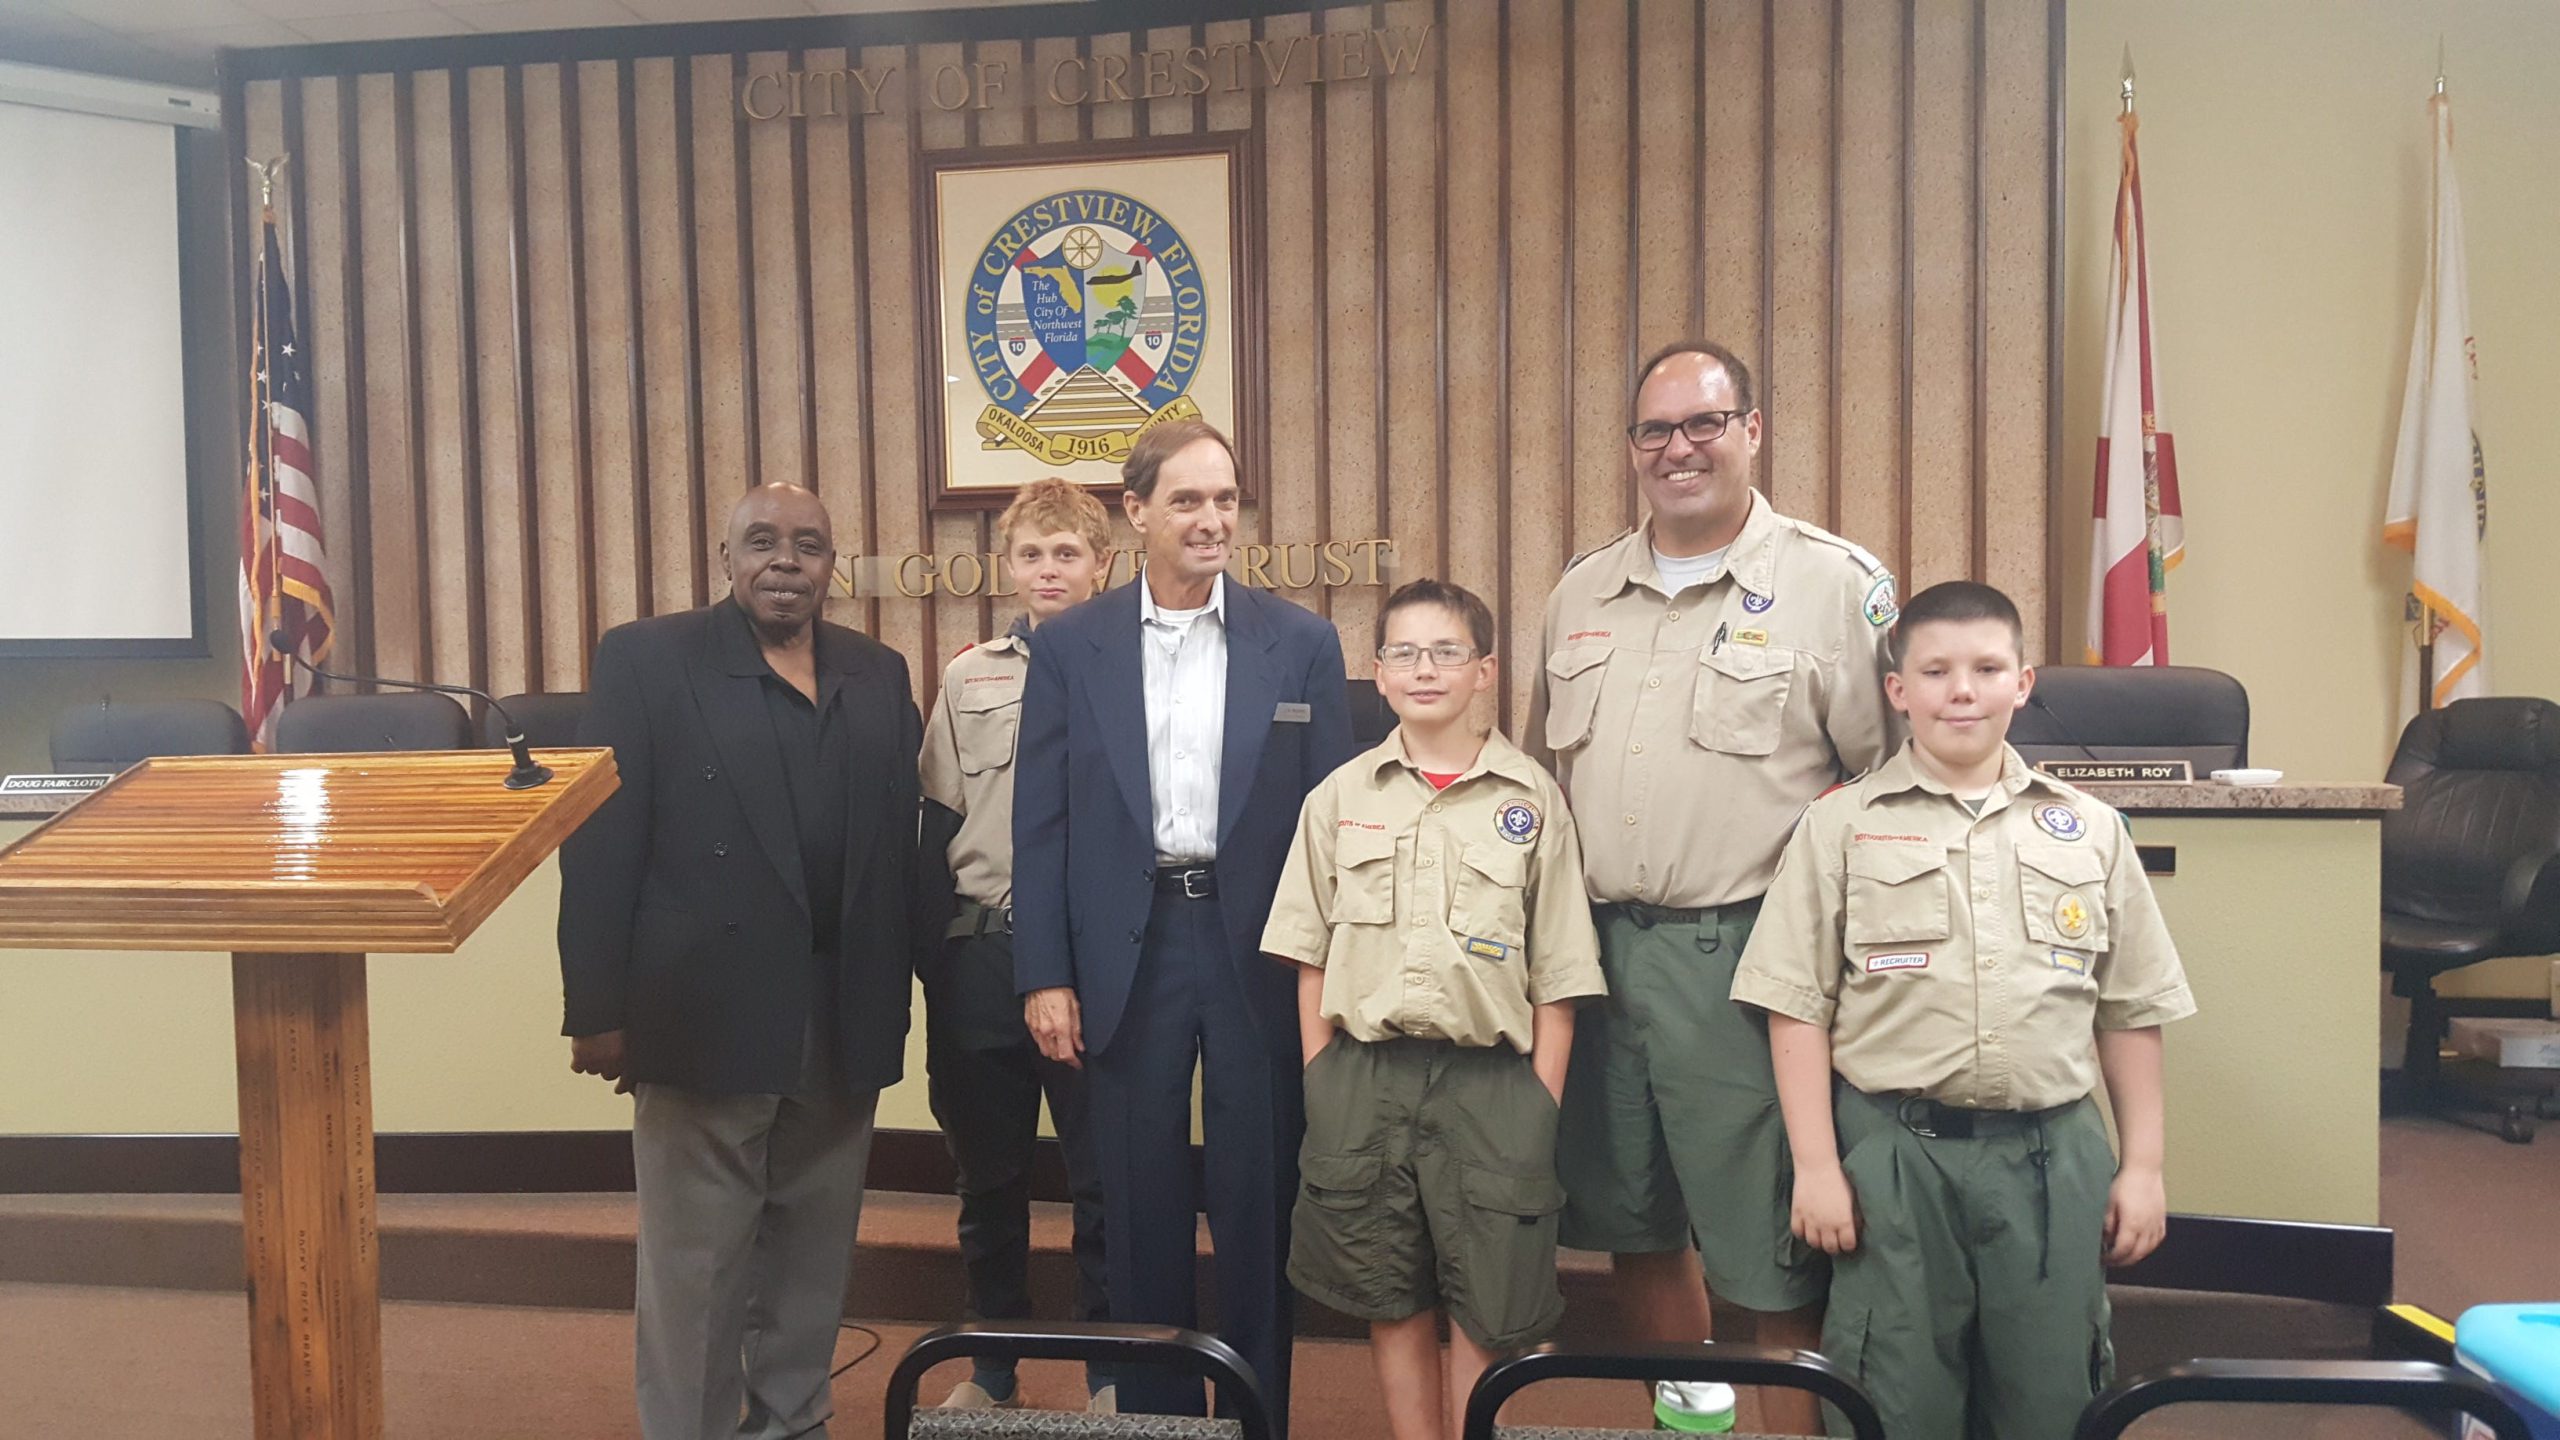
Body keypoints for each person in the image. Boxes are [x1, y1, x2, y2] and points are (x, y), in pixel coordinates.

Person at [1529, 339, 1897, 1433]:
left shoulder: (1834, 585)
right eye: (1654, 430)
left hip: (1747, 962)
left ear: (1751, 429)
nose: (1677, 449)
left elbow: (1882, 789)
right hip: (1598, 957)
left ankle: (1795, 1423)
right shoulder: (1583, 588)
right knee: (1632, 1221)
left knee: (1768, 1247)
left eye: (1702, 424)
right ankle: (1692, 1423)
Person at [1733, 580, 2194, 1439]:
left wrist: (2144, 1166)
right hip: (1897, 1158)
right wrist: (1817, 1166)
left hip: (2051, 1161)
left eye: (1987, 668)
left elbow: (2130, 1008)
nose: (1963, 690)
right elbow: (1796, 1007)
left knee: (2052, 1399)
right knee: (1893, 1397)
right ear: (1898, 690)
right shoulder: (1841, 828)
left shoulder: (2088, 828)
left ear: (2023, 682)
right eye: (1936, 671)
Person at [558, 482, 923, 1440]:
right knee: (698, 1272)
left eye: (808, 543)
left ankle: (795, 1424)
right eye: (762, 542)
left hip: (841, 1016)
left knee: (811, 1264)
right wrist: (596, 1005)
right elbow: (600, 840)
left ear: (831, 564)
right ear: (726, 561)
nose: (785, 560)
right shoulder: (649, 659)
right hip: (700, 1014)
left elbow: (898, 847)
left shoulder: (878, 671)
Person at [1012, 417, 1354, 1433]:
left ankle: (1255, 1419)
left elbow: (1335, 827)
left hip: (1259, 953)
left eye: (1224, 500)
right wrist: (1044, 973)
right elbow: (1040, 822)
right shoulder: (1073, 645)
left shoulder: (1300, 643)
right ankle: (1158, 1422)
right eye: (1187, 501)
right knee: (1139, 1209)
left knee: (1257, 1206)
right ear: (1137, 511)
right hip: (1128, 949)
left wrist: (1331, 977)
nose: (1210, 521)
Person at [1262, 579, 1604, 1440]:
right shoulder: (1341, 796)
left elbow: (1558, 978)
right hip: (1364, 1076)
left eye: (1446, 651)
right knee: (1387, 1290)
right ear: (1377, 674)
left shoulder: (1531, 801)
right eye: (1404, 653)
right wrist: (1321, 1074)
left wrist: (1540, 1105)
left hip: (1492, 1085)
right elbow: (1307, 956)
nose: (1425, 669)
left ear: (1485, 670)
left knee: (1489, 1304)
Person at [915, 478, 1116, 1413]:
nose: (1049, 570)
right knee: (987, 1175)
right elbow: (938, 821)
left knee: (1105, 1176)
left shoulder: (1135, 670)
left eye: (1067, 553)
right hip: (987, 952)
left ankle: (1114, 1368)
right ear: (1007, 566)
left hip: (1096, 959)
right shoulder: (970, 678)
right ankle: (993, 1366)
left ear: (1103, 564)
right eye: (1032, 553)